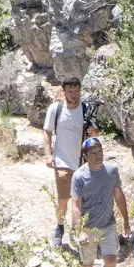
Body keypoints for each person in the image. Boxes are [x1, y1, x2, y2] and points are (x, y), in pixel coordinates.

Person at [69, 137, 133, 267]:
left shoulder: (112, 171)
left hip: (108, 225)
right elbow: (75, 205)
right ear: (85, 156)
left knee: (111, 262)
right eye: (93, 153)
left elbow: (119, 196)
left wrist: (126, 221)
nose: (98, 156)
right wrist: (80, 230)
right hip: (88, 227)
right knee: (88, 264)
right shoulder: (79, 176)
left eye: (100, 152)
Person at [42, 78, 99, 248]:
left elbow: (93, 134)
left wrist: (95, 132)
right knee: (63, 199)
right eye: (70, 91)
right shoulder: (56, 109)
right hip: (62, 161)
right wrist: (48, 155)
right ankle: (60, 227)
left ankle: (76, 230)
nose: (73, 95)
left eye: (76, 91)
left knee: (79, 200)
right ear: (64, 91)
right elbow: (47, 131)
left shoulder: (86, 110)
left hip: (82, 163)